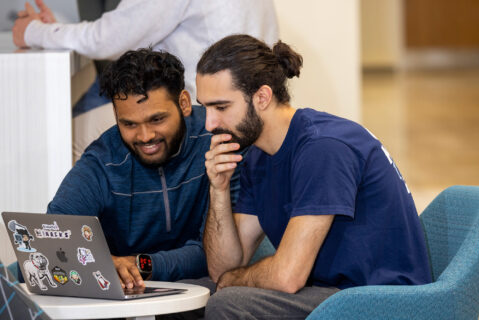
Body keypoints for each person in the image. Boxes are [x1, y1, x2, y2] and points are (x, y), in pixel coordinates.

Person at [195, 34, 432, 319]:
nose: (209, 124)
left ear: (262, 97)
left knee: (226, 303)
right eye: (204, 107)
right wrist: (218, 190)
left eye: (221, 107)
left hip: (378, 301)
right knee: (192, 296)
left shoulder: (323, 148)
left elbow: (286, 277)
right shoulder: (257, 156)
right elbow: (223, 269)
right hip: (331, 293)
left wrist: (235, 280)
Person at [43, 47, 240, 289]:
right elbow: (51, 240)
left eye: (157, 119)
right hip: (126, 297)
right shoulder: (102, 161)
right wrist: (104, 264)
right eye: (129, 124)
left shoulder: (219, 140)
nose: (145, 136)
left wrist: (140, 265)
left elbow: (216, 254)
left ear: (184, 103)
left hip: (203, 289)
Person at [12, 0, 278, 161]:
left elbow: (105, 40)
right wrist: (58, 29)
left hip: (201, 115)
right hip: (248, 112)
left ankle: (82, 247)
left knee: (64, 139)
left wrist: (34, 31)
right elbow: (125, 33)